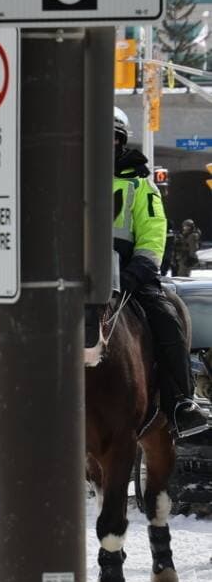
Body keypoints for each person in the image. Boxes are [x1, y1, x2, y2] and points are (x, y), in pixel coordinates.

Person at [113, 107, 211, 437]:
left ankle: (181, 402)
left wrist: (134, 273)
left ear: (120, 142)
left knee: (167, 320)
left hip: (130, 277)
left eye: (110, 139)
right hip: (79, 278)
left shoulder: (142, 187)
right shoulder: (70, 186)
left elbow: (153, 237)